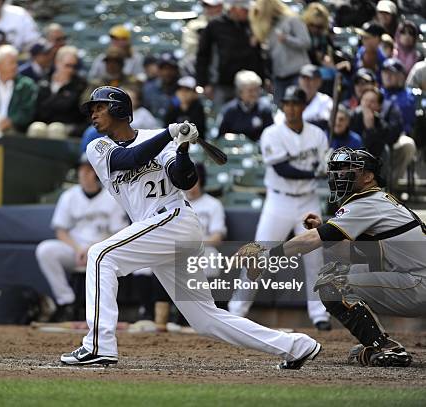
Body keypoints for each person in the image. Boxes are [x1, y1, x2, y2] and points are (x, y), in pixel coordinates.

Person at [60, 85, 322, 369]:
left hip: (175, 220)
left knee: (101, 255)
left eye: (100, 107)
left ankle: (98, 345)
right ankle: (295, 346)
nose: (94, 114)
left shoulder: (158, 140)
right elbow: (128, 159)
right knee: (205, 319)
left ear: (120, 109)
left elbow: (184, 180)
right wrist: (171, 135)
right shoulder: (98, 147)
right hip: (155, 228)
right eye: (92, 109)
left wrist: (182, 148)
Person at [241, 147, 425, 367]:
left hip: (418, 282)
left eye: (348, 170)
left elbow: (312, 240)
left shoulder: (368, 201)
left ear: (368, 176)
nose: (340, 174)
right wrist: (324, 230)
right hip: (411, 278)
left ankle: (384, 347)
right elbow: (350, 254)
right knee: (339, 274)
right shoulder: (376, 201)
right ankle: (378, 342)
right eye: (337, 169)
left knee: (331, 284)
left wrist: (268, 254)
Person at [227, 86, 331, 331]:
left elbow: (324, 161)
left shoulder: (317, 134)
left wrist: (325, 167)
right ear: (282, 106)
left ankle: (319, 314)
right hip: (279, 201)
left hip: (308, 201)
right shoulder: (271, 133)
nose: (291, 108)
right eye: (287, 104)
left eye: (296, 104)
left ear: (304, 107)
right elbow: (283, 169)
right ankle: (237, 311)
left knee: (316, 259)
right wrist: (313, 172)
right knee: (258, 255)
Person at [36, 155, 127, 322]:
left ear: (98, 173)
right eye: (82, 169)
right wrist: (79, 250)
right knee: (45, 250)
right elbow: (61, 231)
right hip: (75, 250)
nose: (84, 174)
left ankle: (105, 312)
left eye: (89, 170)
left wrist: (92, 248)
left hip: (103, 249)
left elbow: (119, 233)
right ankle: (66, 302)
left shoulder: (112, 196)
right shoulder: (69, 196)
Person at [197, 0, 264, 106]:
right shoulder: (215, 26)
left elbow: (258, 55)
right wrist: (204, 83)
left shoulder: (252, 25)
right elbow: (203, 56)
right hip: (223, 84)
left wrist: (264, 79)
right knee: (224, 118)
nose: (248, 12)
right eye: (244, 9)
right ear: (233, 9)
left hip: (249, 84)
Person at [249, 0, 311, 105]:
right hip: (279, 78)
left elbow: (306, 42)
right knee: (280, 110)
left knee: (299, 107)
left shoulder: (292, 19)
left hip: (298, 74)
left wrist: (287, 39)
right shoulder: (267, 28)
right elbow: (270, 54)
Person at [349, 87, 414, 186]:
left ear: (379, 106)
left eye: (372, 101)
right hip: (353, 162)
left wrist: (371, 128)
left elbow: (389, 138)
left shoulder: (380, 122)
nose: (368, 104)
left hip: (376, 163)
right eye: (365, 100)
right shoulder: (353, 117)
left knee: (385, 151)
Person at [28, 45, 86, 139]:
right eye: (68, 65)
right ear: (57, 63)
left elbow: (76, 112)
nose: (71, 70)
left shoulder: (79, 85)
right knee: (36, 128)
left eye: (74, 66)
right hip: (44, 124)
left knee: (55, 129)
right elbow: (39, 108)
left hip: (67, 126)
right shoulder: (44, 81)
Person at [185, 163, 226, 277]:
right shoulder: (176, 204)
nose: (189, 185)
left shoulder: (213, 204)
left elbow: (217, 238)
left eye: (193, 180)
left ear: (201, 181)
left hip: (204, 248)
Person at [218, 70, 273, 143]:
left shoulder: (265, 109)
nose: (254, 93)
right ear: (240, 92)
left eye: (257, 90)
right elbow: (221, 137)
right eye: (250, 91)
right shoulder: (229, 110)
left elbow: (271, 135)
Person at [275, 64, 332, 132]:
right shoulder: (290, 99)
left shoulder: (325, 101)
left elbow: (325, 122)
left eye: (310, 79)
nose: (306, 82)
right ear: (299, 80)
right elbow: (278, 120)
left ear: (319, 82)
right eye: (304, 78)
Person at [181, 0, 224, 76]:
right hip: (200, 65)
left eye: (214, 6)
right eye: (207, 6)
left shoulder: (230, 24)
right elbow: (191, 51)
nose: (210, 9)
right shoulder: (195, 26)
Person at [381, 57, 416, 135]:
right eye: (385, 73)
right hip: (381, 137)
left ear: (401, 75)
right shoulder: (378, 94)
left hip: (404, 136)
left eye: (391, 73)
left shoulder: (411, 95)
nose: (387, 76)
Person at [142, 53, 180, 122]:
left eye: (171, 68)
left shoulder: (183, 89)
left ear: (176, 70)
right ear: (158, 70)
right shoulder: (148, 89)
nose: (167, 72)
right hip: (152, 129)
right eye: (163, 69)